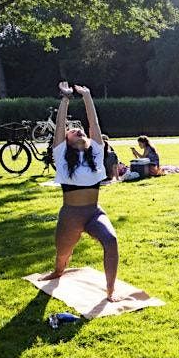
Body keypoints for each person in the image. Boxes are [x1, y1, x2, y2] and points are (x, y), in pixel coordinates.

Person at [39, 82, 120, 302]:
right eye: (73, 131)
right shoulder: (62, 157)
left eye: (80, 130)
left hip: (94, 213)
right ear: (66, 142)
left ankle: (110, 292)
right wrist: (65, 99)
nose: (79, 130)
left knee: (111, 240)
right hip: (70, 215)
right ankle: (57, 272)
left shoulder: (95, 152)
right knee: (63, 255)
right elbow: (59, 128)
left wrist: (87, 96)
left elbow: (93, 123)